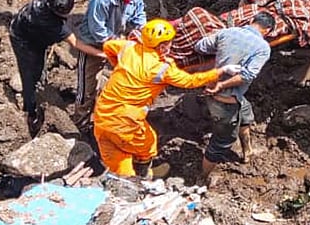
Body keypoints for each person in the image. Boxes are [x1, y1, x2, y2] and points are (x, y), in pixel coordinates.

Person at [92, 19, 233, 178]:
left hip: (101, 115)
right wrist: (219, 71)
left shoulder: (128, 47)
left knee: (119, 162)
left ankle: (128, 183)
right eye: (170, 43)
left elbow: (108, 47)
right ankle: (144, 175)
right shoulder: (161, 68)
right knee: (148, 144)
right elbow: (190, 81)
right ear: (162, 46)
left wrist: (118, 65)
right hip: (125, 120)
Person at [9, 0, 105, 134]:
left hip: (31, 28)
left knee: (40, 65)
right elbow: (75, 43)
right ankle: (31, 111)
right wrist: (102, 54)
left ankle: (41, 81)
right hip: (23, 39)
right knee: (29, 76)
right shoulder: (48, 21)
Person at [196, 12, 274, 178]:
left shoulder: (227, 32)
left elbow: (200, 46)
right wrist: (221, 85)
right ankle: (202, 178)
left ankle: (247, 150)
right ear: (267, 31)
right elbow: (247, 75)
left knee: (245, 113)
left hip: (229, 96)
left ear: (253, 21)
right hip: (223, 100)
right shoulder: (262, 47)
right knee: (221, 141)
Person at [74, 0, 148, 126]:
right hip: (93, 44)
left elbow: (139, 14)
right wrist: (117, 45)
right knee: (87, 88)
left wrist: (144, 31)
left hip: (117, 38)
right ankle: (81, 122)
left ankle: (112, 116)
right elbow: (97, 28)